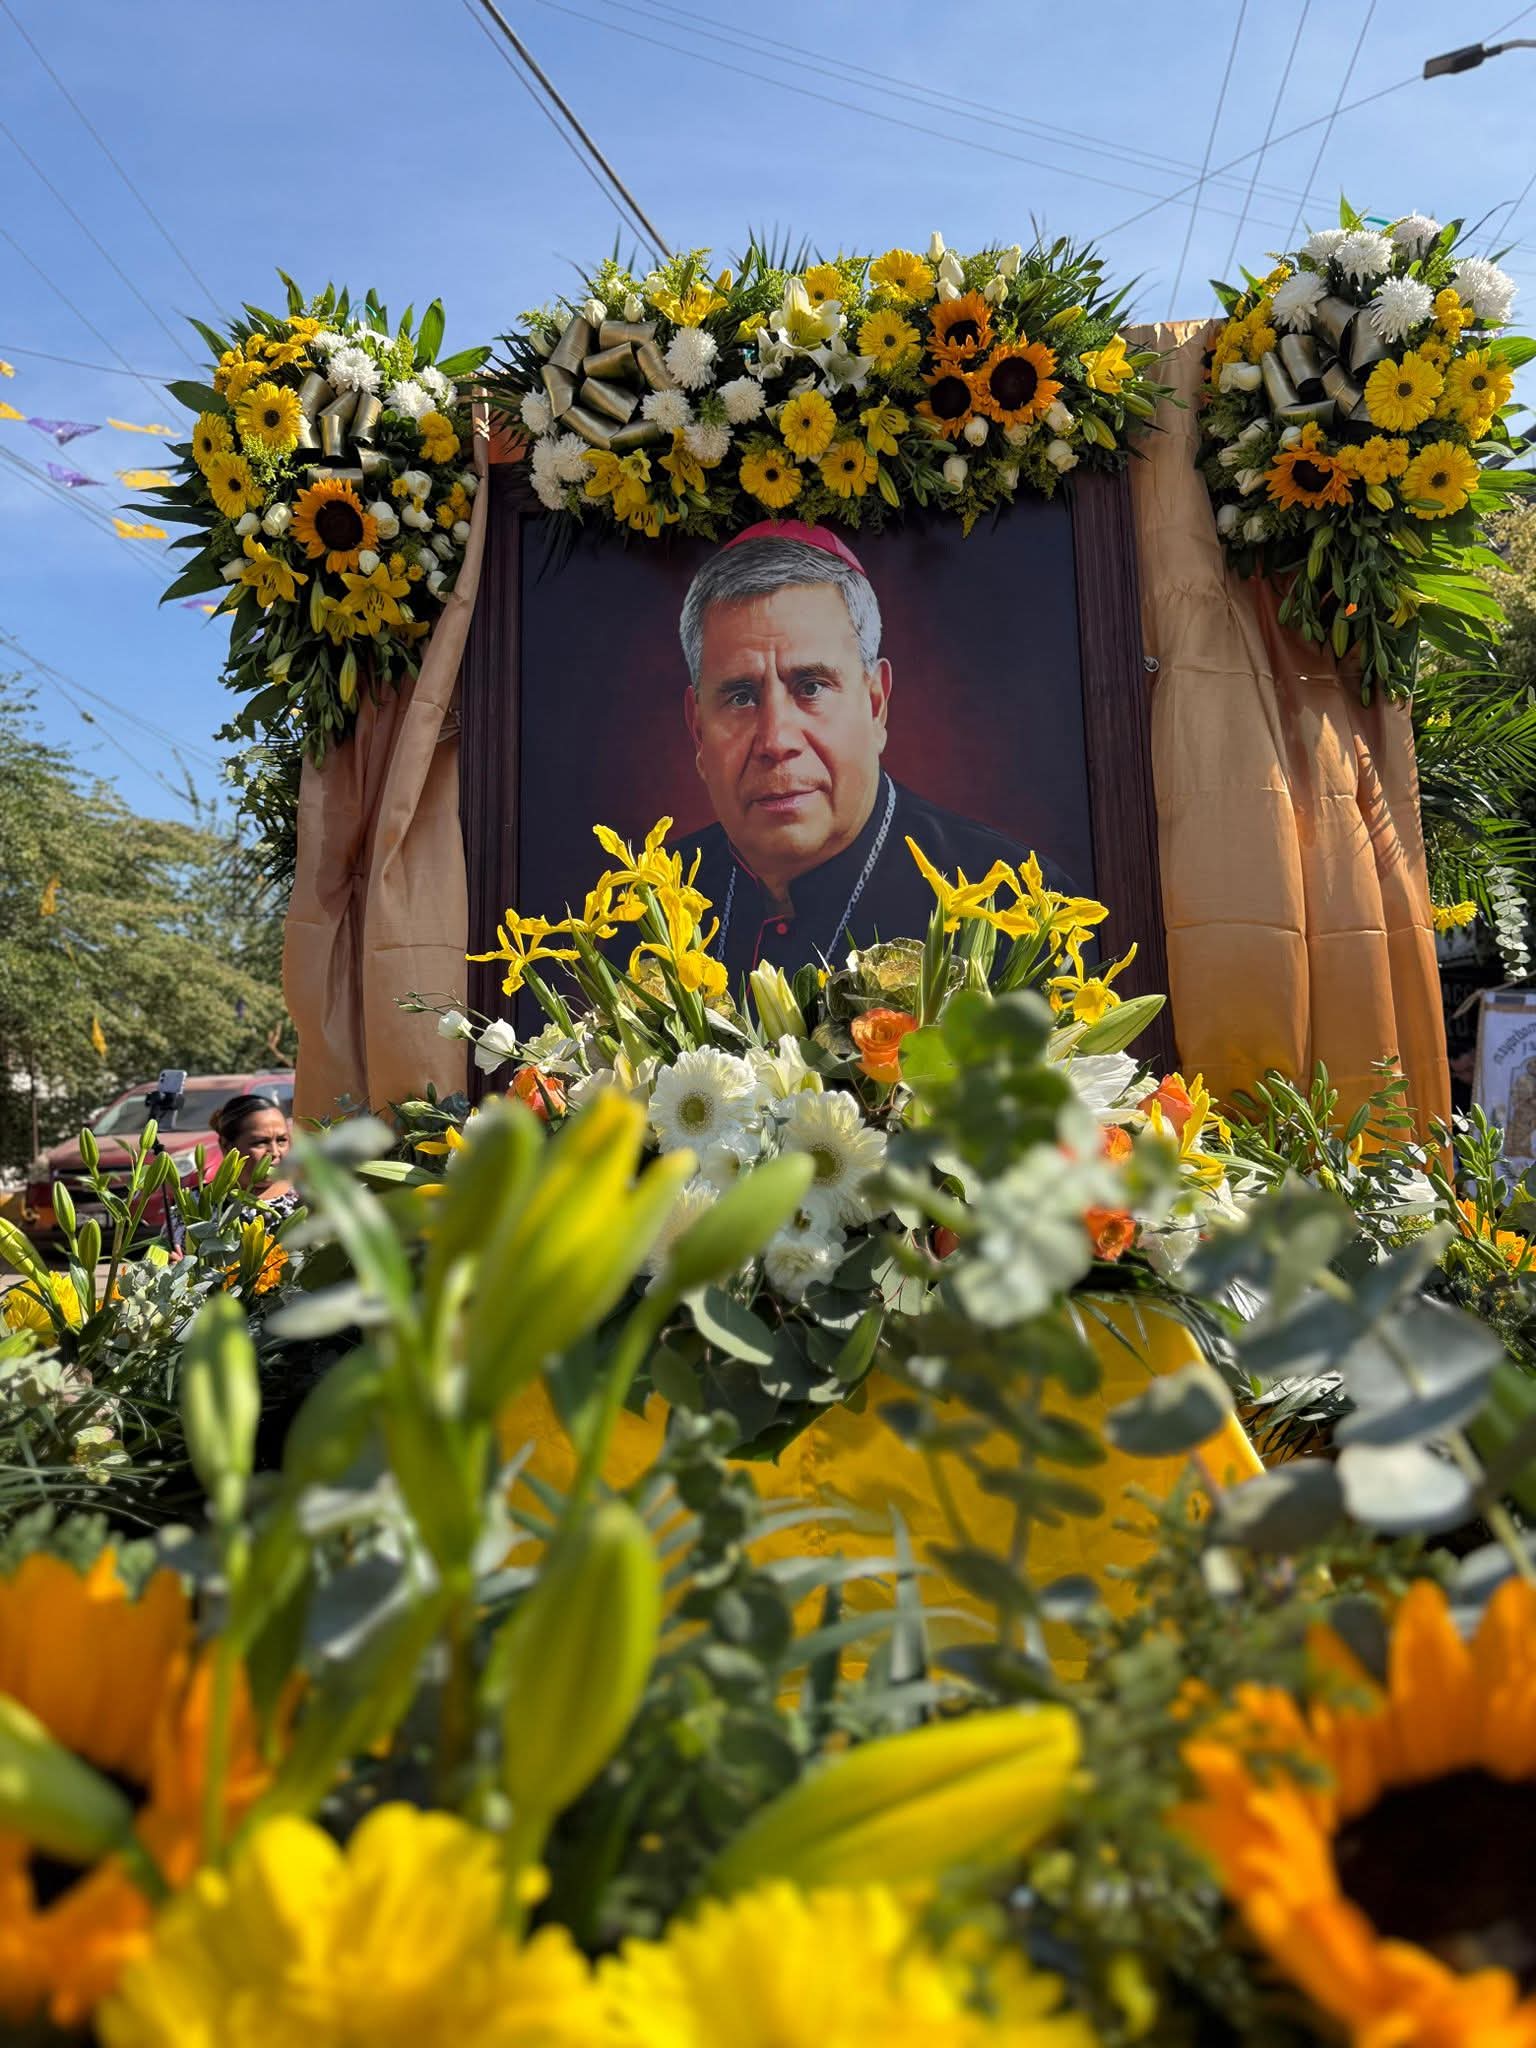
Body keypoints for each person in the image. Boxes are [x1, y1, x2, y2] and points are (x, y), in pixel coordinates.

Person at [672, 520, 1070, 984]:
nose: (776, 741)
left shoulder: (1018, 908)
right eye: (741, 696)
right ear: (699, 731)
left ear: (875, 705)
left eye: (812, 687)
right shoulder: (645, 912)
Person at [211, 1094, 300, 1223]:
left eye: (282, 1140)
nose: (275, 1152)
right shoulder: (199, 1204)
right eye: (260, 1142)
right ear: (226, 1146)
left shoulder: (307, 1200)